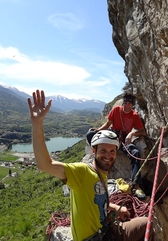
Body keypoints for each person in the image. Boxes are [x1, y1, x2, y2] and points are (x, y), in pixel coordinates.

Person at [28, 90, 151, 241]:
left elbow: (97, 201)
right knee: (148, 225)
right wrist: (37, 123)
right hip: (95, 237)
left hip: (107, 230)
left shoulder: (102, 174)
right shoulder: (82, 172)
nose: (108, 155)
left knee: (147, 223)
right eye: (103, 151)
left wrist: (117, 208)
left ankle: (134, 191)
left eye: (112, 151)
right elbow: (45, 165)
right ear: (94, 151)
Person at [86, 92, 146, 199]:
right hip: (112, 135)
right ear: (123, 103)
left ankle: (136, 186)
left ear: (132, 105)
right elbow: (108, 124)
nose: (127, 106)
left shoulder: (134, 116)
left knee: (135, 153)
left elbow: (142, 132)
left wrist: (132, 133)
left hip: (124, 139)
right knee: (91, 134)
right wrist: (98, 130)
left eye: (130, 104)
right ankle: (97, 160)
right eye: (126, 103)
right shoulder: (116, 110)